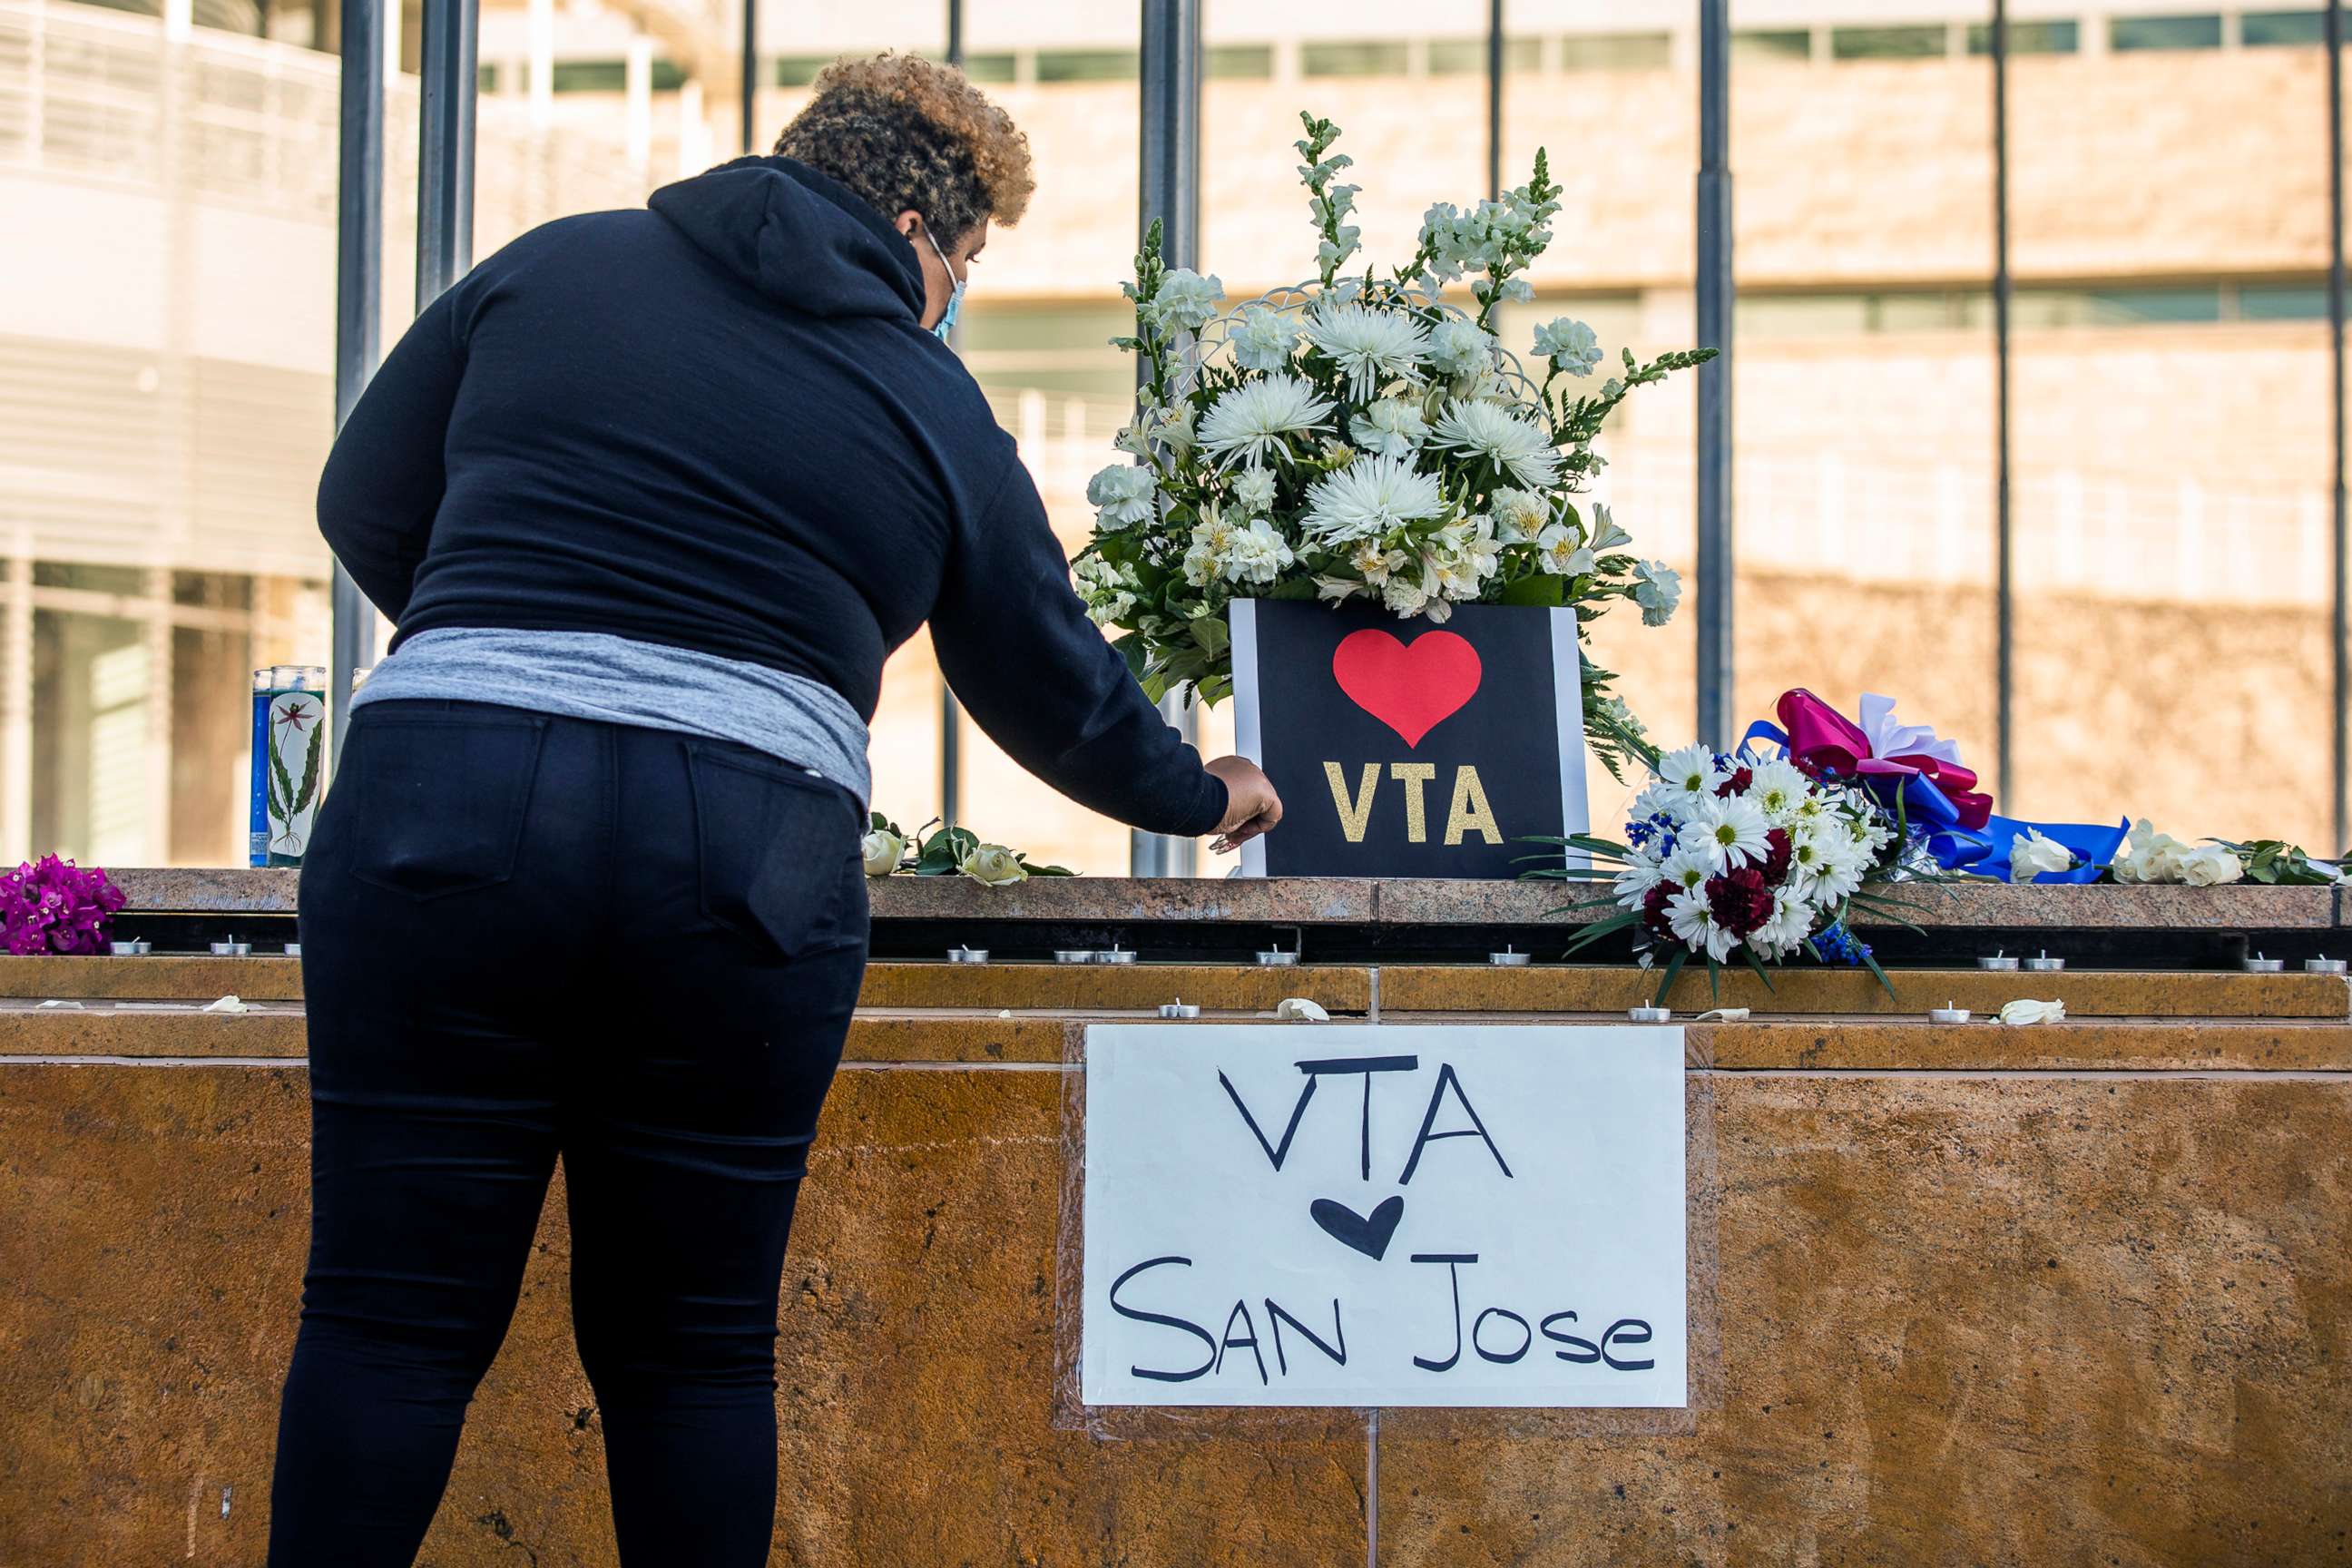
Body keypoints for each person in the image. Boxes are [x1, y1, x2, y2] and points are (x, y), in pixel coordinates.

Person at [266, 53, 1281, 1567]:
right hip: (738, 852)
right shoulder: (930, 400)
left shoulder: (552, 265)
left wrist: (524, 656)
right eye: (976, 263)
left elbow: (363, 497)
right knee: (693, 1349)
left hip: (442, 811)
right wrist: (1200, 787)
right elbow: (1043, 675)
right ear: (928, 237)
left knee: (388, 1319)